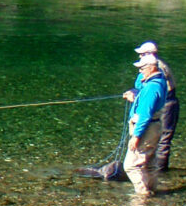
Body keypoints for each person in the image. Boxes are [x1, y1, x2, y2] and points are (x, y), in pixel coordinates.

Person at [77, 41, 179, 180]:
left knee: (163, 139)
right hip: (159, 103)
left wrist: (136, 135)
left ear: (149, 55)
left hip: (167, 104)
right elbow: (139, 84)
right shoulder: (150, 69)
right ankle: (151, 174)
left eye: (142, 54)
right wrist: (135, 93)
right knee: (154, 141)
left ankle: (158, 172)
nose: (139, 57)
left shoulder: (158, 69)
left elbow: (148, 102)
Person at [123, 54, 168, 196]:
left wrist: (136, 136)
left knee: (130, 166)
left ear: (151, 68)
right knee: (148, 163)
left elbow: (145, 115)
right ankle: (152, 189)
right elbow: (140, 88)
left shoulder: (151, 88)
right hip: (155, 127)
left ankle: (143, 195)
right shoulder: (160, 81)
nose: (140, 71)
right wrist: (135, 96)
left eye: (142, 68)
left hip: (146, 129)